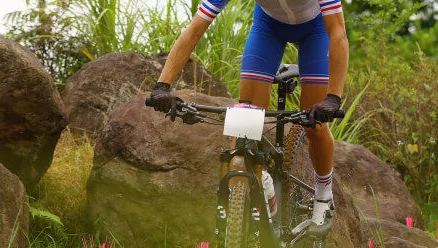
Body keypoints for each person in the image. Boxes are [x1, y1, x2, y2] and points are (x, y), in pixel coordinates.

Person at [148, 0, 348, 234]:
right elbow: (195, 29)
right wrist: (162, 85)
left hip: (315, 30)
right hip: (268, 27)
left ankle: (324, 195)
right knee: (246, 118)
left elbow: (337, 32)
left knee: (314, 122)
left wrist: (333, 97)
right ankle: (236, 217)